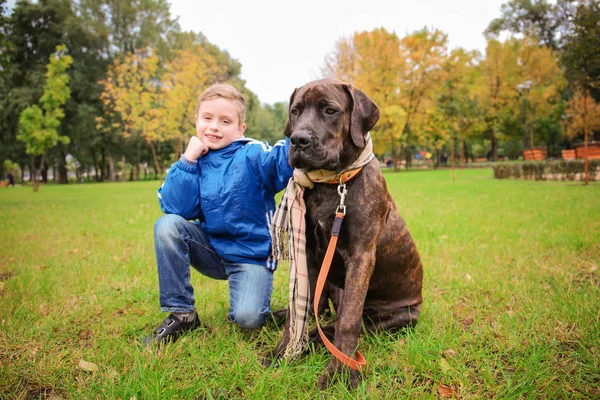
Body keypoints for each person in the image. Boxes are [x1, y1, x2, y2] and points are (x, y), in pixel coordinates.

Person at [144, 83, 293, 346]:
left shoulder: (252, 153)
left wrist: (301, 126)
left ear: (240, 128)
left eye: (225, 121)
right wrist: (188, 160)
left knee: (248, 320)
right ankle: (182, 315)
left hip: (250, 256)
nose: (214, 126)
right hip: (212, 250)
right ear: (197, 121)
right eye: (207, 118)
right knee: (167, 226)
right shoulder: (192, 161)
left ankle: (257, 303)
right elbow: (176, 209)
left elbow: (280, 163)